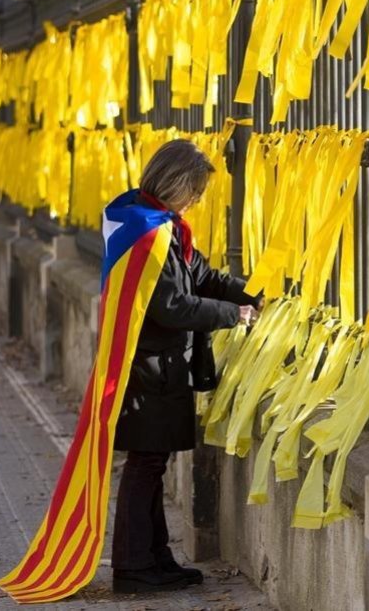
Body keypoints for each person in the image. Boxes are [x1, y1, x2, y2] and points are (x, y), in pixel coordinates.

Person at [110, 140, 261, 594]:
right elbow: (172, 305)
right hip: (148, 370)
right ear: (175, 183)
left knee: (148, 465)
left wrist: (251, 290)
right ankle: (135, 566)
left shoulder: (157, 222)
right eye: (194, 191)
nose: (196, 201)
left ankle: (152, 559)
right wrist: (231, 315)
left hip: (157, 367)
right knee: (144, 467)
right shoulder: (147, 231)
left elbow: (200, 275)